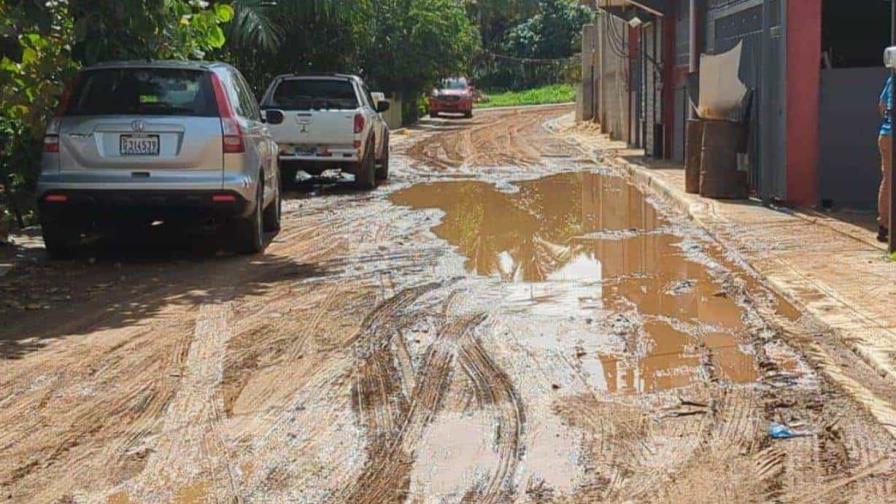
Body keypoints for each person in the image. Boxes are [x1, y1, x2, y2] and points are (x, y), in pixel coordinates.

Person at [878, 74, 894, 242]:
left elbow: (881, 106)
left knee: (888, 180)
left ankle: (884, 225)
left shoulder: (891, 78)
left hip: (885, 135)